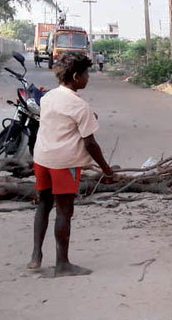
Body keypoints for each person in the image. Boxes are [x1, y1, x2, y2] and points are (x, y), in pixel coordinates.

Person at [28, 52, 114, 276]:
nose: (88, 78)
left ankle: (36, 256)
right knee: (64, 211)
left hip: (42, 158)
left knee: (44, 205)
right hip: (64, 164)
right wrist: (107, 169)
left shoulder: (48, 98)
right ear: (76, 76)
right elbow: (91, 144)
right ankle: (62, 264)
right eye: (86, 74)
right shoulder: (80, 106)